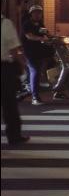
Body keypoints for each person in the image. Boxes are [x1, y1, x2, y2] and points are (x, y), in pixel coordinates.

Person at [1, 12, 30, 144]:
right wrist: (22, 64)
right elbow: (14, 49)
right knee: (9, 104)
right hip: (4, 68)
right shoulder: (5, 24)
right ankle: (13, 135)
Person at [22, 5, 52, 105]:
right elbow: (29, 36)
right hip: (29, 52)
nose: (38, 14)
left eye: (39, 12)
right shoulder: (27, 24)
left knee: (53, 63)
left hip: (39, 52)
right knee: (35, 70)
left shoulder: (40, 24)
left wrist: (55, 38)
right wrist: (41, 39)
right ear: (31, 14)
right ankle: (35, 97)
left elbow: (47, 33)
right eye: (35, 12)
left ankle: (57, 91)